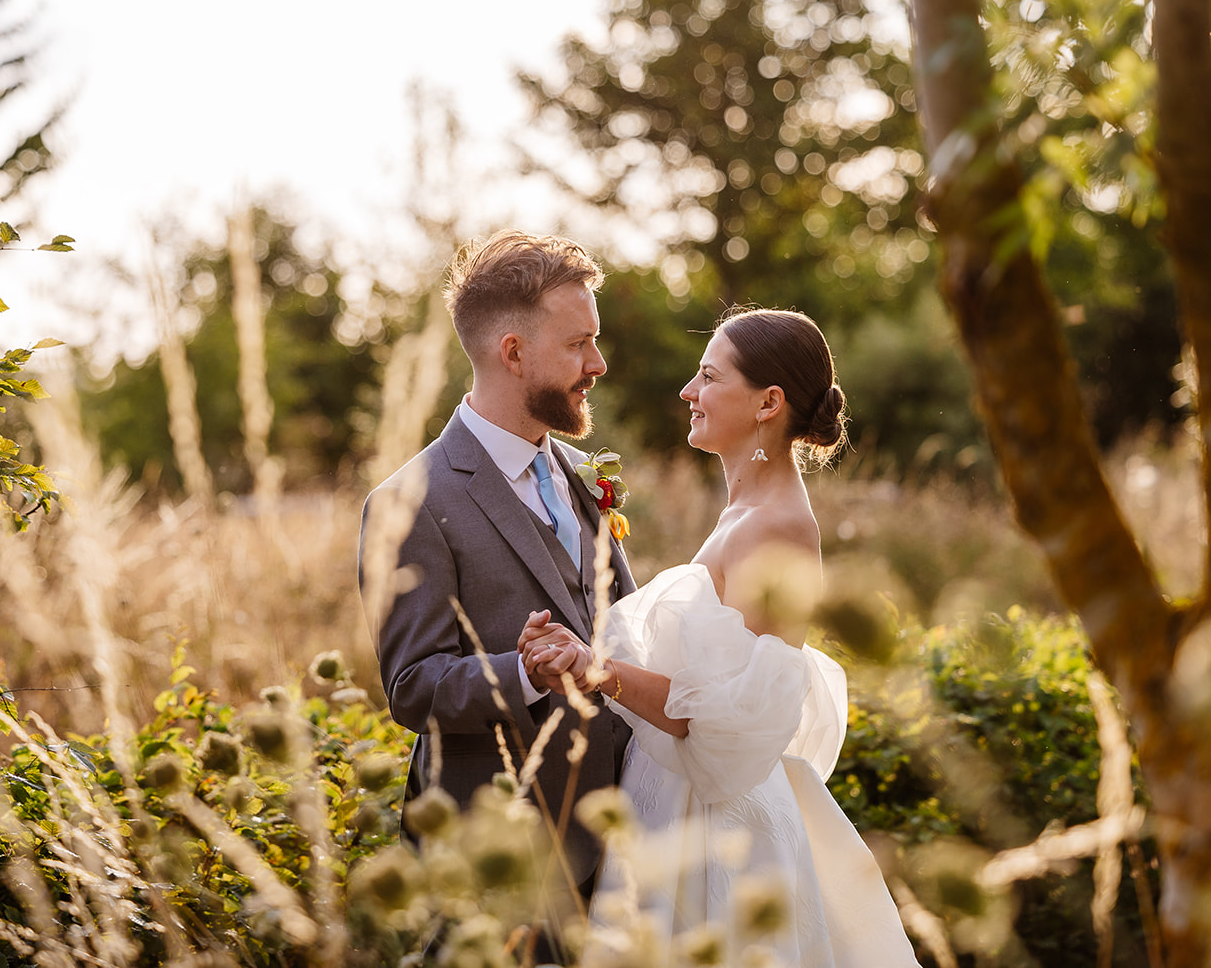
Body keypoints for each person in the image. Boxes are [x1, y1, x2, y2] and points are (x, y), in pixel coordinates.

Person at [519, 308, 921, 967]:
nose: (688, 391)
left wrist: (595, 668)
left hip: (714, 837)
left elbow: (731, 719)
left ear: (768, 402)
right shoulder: (746, 508)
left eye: (708, 376)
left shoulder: (779, 527)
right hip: (673, 806)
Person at [360, 230, 636, 909]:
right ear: (513, 352)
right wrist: (523, 674)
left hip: (616, 850)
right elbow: (412, 688)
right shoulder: (409, 502)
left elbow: (619, 630)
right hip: (493, 862)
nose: (597, 362)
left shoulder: (582, 476)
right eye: (578, 343)